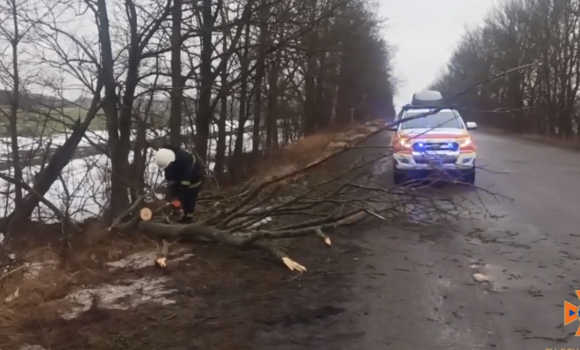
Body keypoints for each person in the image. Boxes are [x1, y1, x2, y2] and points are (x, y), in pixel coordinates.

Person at [154, 144, 204, 223]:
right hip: (180, 177)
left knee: (189, 199)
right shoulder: (166, 159)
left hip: (194, 178)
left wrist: (179, 200)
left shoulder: (185, 159)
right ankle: (177, 214)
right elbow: (170, 180)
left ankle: (188, 219)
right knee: (176, 198)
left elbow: (185, 183)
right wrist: (173, 197)